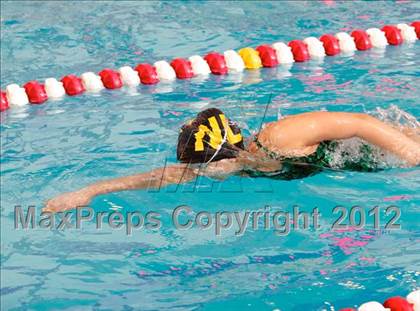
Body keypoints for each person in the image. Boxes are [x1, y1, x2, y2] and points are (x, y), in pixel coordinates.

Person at [44, 107, 420, 212]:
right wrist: (89, 191)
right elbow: (159, 177)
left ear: (228, 153)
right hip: (363, 164)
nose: (205, 175)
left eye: (206, 167)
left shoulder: (281, 137)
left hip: (392, 146)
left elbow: (359, 123)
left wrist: (410, 153)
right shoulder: (238, 163)